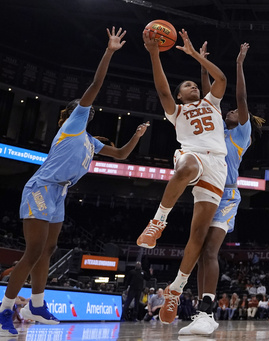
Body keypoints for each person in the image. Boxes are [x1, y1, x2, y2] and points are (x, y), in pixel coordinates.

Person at [0, 27, 150, 337]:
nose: (90, 107)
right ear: (72, 111)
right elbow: (96, 84)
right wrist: (109, 51)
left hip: (59, 193)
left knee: (49, 248)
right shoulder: (73, 122)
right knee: (33, 250)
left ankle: (36, 305)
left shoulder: (90, 140)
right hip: (42, 187)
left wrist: (136, 136)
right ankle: (5, 308)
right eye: (84, 105)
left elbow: (121, 155)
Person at [136, 28, 228, 326]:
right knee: (185, 166)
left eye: (194, 84)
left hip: (218, 166)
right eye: (187, 86)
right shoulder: (176, 112)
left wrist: (195, 56)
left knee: (198, 236)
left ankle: (176, 288)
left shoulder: (212, 103)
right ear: (180, 95)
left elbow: (222, 79)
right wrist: (153, 54)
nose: (193, 87)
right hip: (192, 156)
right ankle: (158, 221)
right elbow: (162, 90)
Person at [176, 42, 263, 335]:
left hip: (227, 194)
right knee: (200, 252)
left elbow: (240, 96)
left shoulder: (242, 131)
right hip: (206, 189)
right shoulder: (218, 129)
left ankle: (207, 310)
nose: (231, 112)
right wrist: (202, 66)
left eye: (236, 112)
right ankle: (204, 313)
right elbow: (206, 99)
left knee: (210, 250)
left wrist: (239, 63)